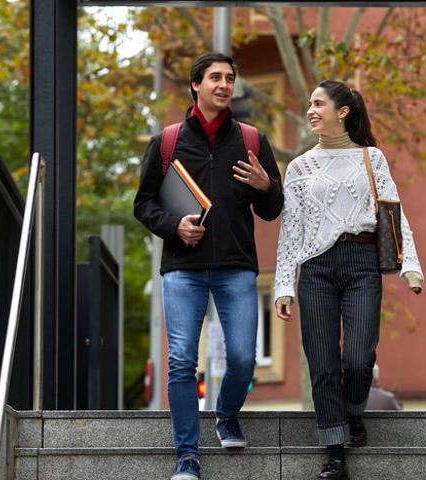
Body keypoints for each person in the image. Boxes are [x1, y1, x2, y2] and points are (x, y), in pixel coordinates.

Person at [134, 52, 283, 480]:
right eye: (215, 77)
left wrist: (266, 185)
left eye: (230, 78)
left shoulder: (253, 140)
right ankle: (187, 456)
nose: (224, 84)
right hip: (183, 267)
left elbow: (273, 210)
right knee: (181, 360)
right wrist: (174, 226)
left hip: (237, 266)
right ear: (195, 85)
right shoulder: (167, 140)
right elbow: (142, 204)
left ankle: (227, 414)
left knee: (241, 359)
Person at [274, 80, 423, 480]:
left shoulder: (372, 158)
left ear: (343, 111)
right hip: (316, 269)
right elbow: (291, 229)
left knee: (358, 359)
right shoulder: (301, 166)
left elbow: (394, 212)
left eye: (318, 103)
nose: (310, 110)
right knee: (322, 363)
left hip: (361, 264)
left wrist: (410, 263)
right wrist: (284, 284)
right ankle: (335, 453)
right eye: (308, 104)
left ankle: (354, 411)